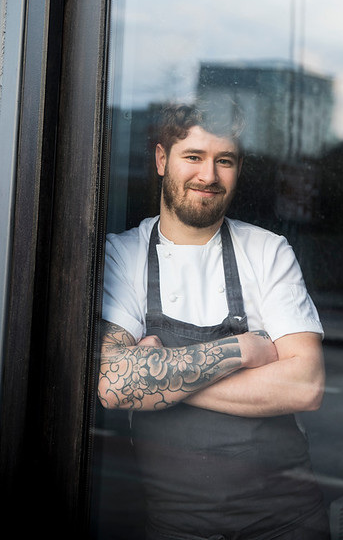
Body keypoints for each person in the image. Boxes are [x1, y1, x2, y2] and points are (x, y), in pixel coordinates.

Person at [99, 98, 330, 540]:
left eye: (224, 160)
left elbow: (306, 384)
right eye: (194, 157)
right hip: (177, 525)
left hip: (287, 521)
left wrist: (159, 380)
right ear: (162, 159)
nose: (208, 175)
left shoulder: (267, 251)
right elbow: (113, 382)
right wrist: (244, 350)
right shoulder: (122, 255)